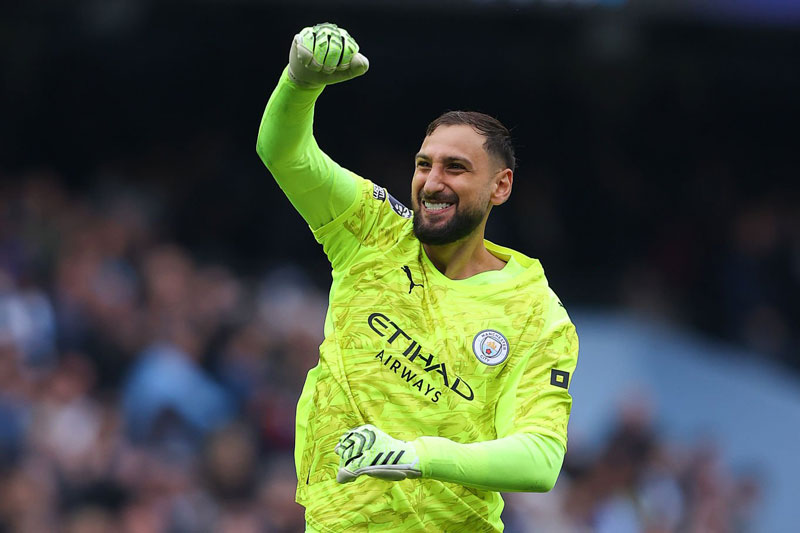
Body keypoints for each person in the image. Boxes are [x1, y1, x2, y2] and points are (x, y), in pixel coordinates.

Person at [256, 22, 579, 533]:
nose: (432, 182)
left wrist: (414, 455)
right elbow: (286, 153)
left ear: (501, 186)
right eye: (424, 164)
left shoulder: (535, 313)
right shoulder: (375, 232)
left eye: (455, 168)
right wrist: (300, 82)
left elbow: (539, 460)